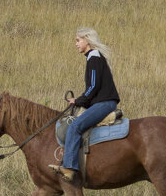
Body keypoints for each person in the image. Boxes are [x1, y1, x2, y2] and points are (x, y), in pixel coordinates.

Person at [48, 27, 120, 184]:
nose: (76, 44)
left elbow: (93, 86)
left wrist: (79, 101)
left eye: (78, 40)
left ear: (87, 40)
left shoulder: (94, 58)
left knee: (74, 127)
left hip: (104, 103)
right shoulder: (93, 58)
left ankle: (69, 168)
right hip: (102, 102)